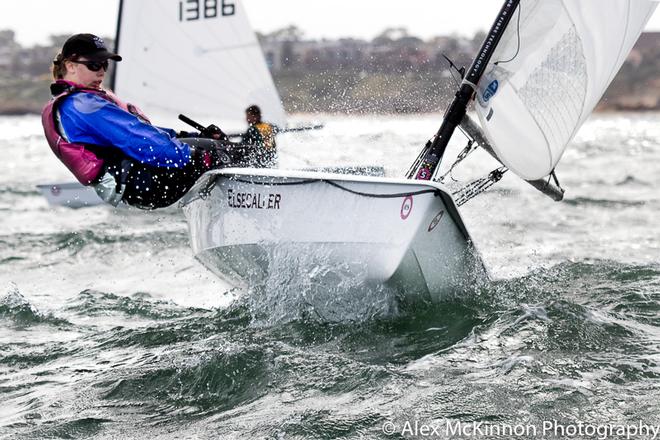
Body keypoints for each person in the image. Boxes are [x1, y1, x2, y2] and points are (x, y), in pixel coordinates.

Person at [42, 33, 244, 209]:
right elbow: (139, 141)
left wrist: (194, 137)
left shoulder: (77, 101)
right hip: (144, 180)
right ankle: (263, 199)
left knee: (216, 147)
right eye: (94, 64)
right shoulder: (83, 106)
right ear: (70, 66)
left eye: (104, 64)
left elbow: (145, 132)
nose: (101, 71)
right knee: (229, 152)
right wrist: (200, 157)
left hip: (138, 180)